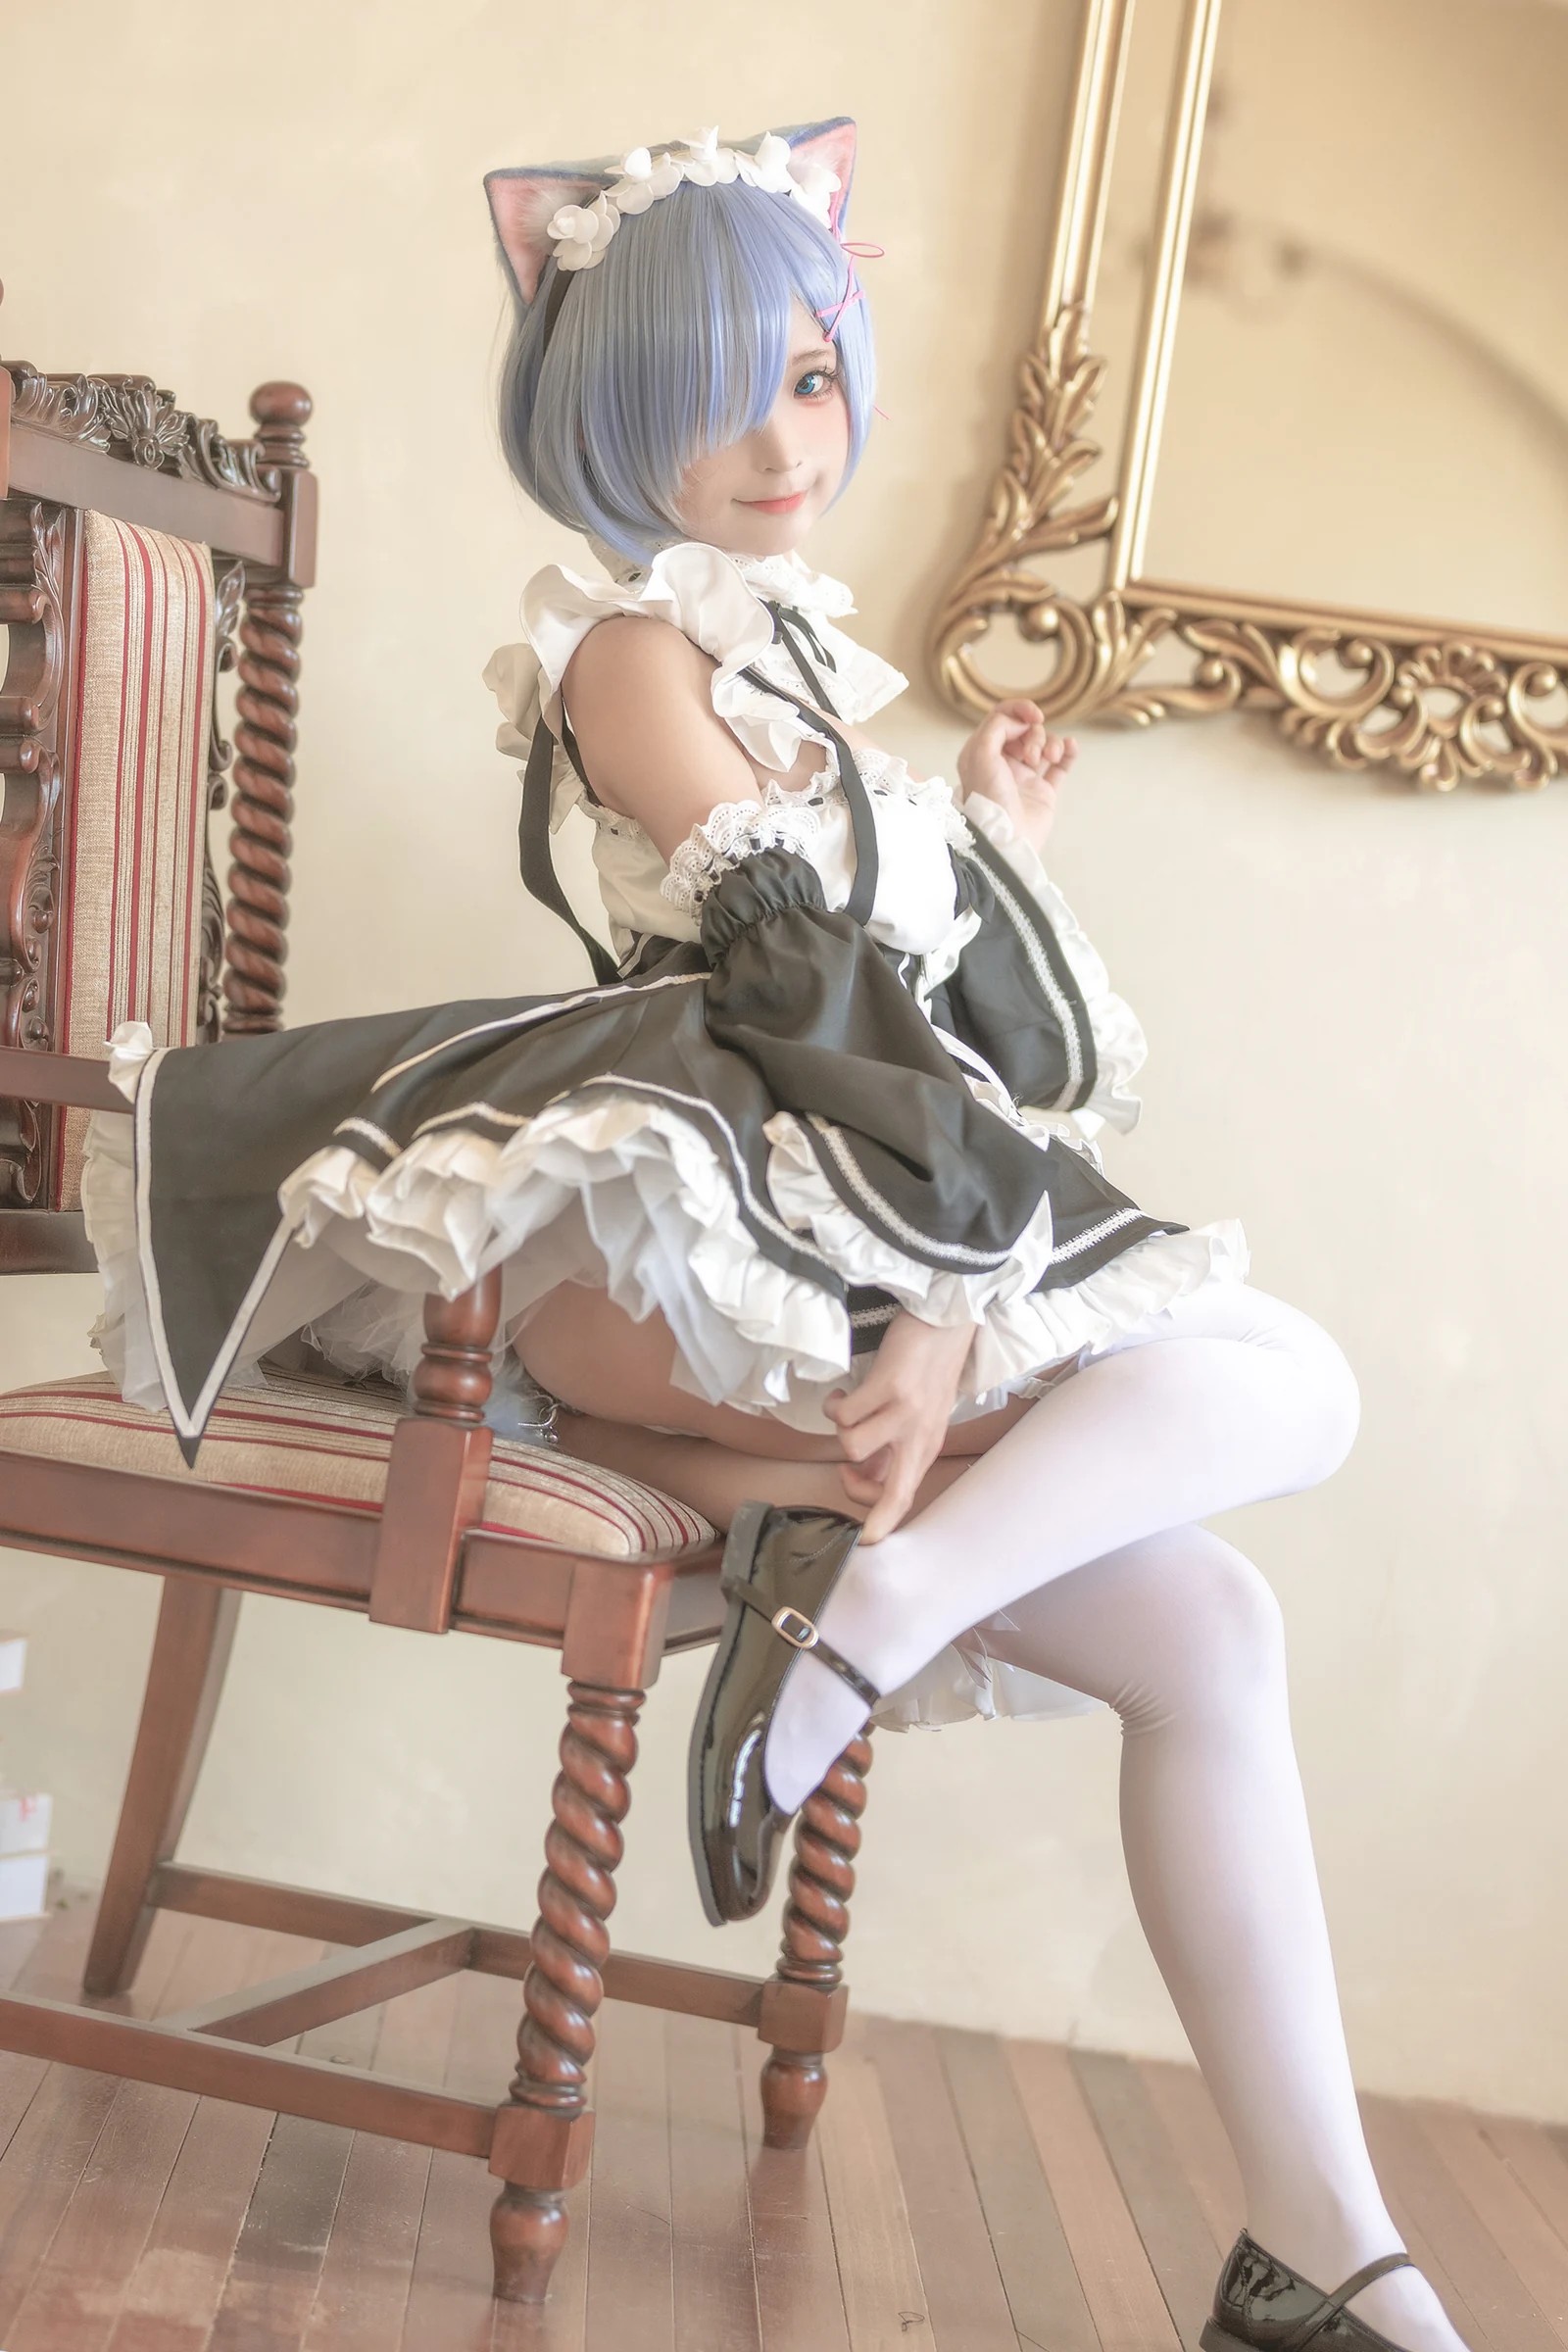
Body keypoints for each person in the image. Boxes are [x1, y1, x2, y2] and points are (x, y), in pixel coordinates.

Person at [82, 118, 1471, 2352]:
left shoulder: (815, 683)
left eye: (811, 377)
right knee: (1285, 1379)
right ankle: (858, 1604)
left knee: (1215, 1621)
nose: (780, 440)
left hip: (825, 1214)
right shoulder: (631, 655)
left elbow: (969, 1023)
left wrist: (991, 842)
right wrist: (950, 1292)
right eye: (714, 394)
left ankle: (1322, 2256)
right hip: (678, 1222)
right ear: (603, 417)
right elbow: (800, 989)